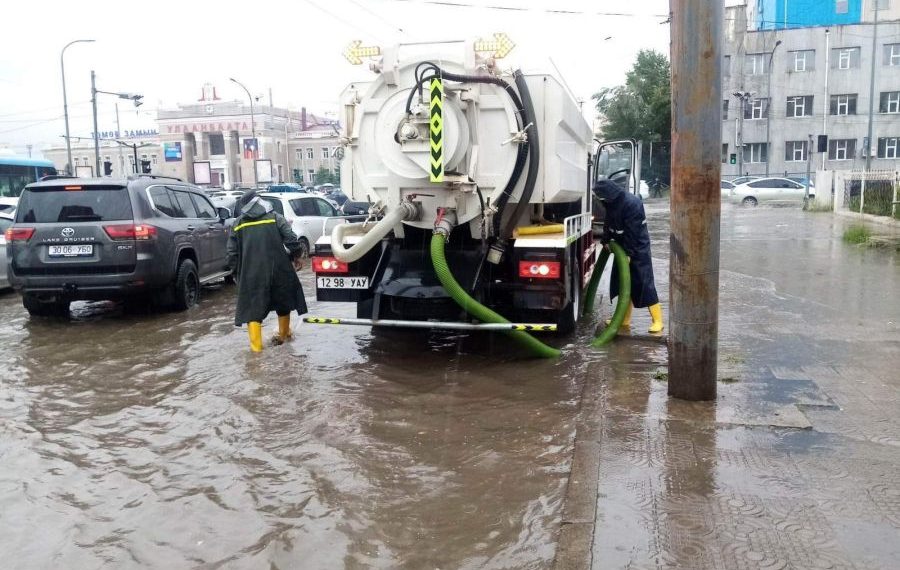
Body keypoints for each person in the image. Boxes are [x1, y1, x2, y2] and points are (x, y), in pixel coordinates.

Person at [227, 190, 308, 352]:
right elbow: (291, 239)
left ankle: (256, 352)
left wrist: (236, 272)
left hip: (251, 274)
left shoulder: (238, 223)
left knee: (253, 310)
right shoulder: (275, 218)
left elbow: (231, 253)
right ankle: (283, 339)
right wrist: (297, 256)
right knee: (282, 303)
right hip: (278, 269)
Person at [593, 179, 664, 334]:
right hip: (620, 247)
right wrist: (605, 240)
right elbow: (608, 222)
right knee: (623, 284)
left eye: (600, 197)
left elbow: (633, 232)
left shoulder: (632, 204)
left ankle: (658, 321)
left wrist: (629, 253)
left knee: (644, 283)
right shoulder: (610, 203)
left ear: (608, 194)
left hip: (637, 248)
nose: (600, 200)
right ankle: (623, 320)